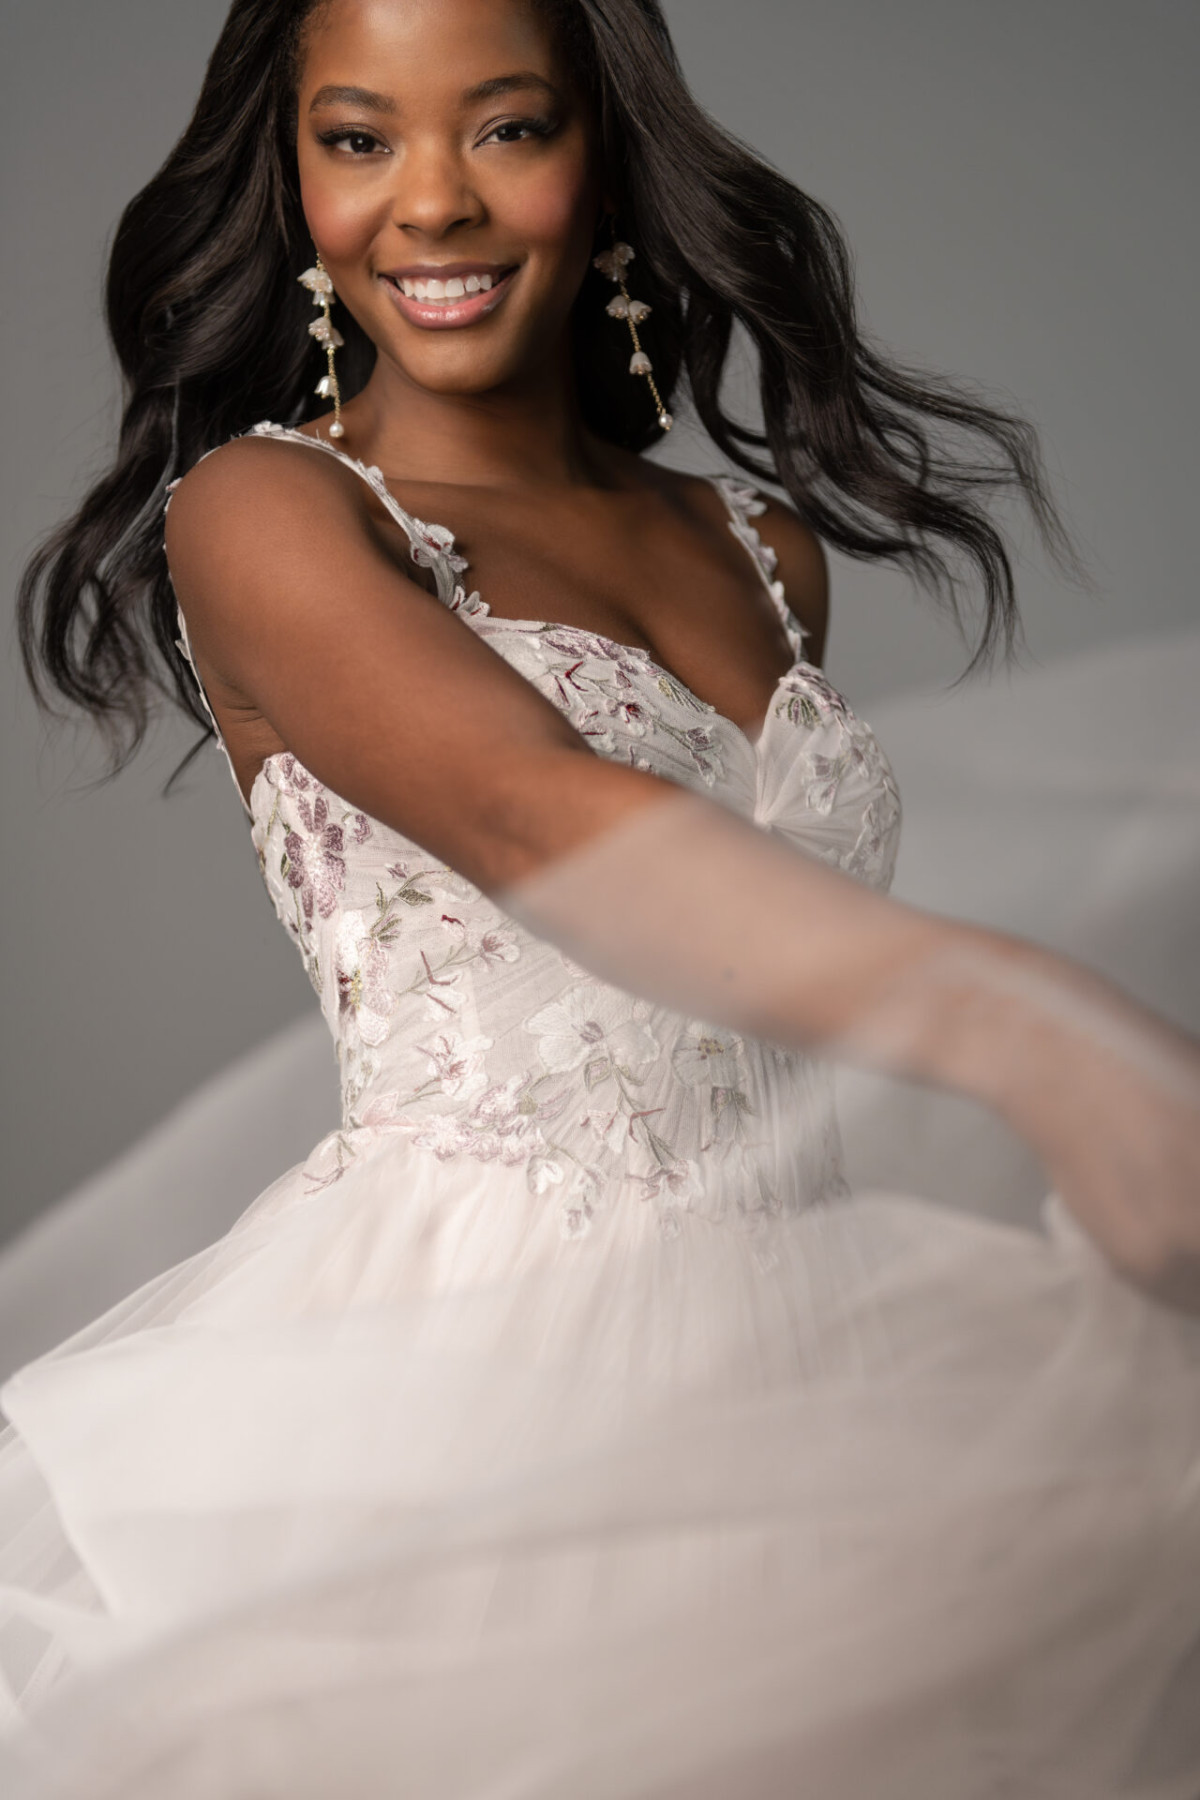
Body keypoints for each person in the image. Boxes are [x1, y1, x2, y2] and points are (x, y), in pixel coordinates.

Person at [3, 0, 1199, 1793]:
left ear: (607, 154)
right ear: (293, 178)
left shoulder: (759, 551)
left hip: (822, 1353)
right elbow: (531, 811)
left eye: (505, 127)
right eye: (359, 139)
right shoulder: (263, 511)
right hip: (480, 1354)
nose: (431, 200)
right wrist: (1035, 1037)